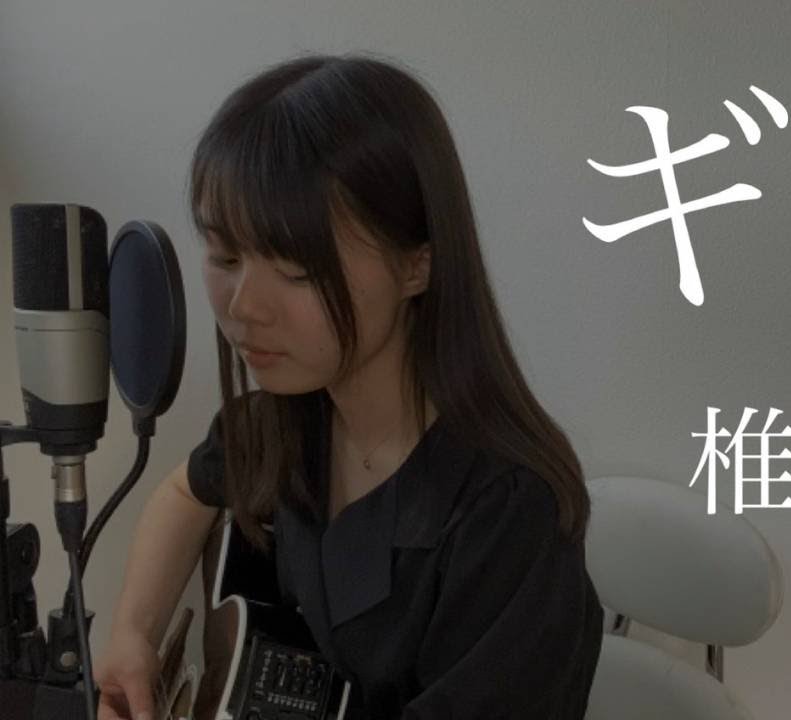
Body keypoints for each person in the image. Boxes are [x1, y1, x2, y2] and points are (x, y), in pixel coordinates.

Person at [93, 52, 604, 720]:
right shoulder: (284, 419)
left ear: (417, 265)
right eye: (225, 256)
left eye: (298, 270)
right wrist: (133, 635)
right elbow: (186, 492)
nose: (244, 306)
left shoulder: (508, 519)